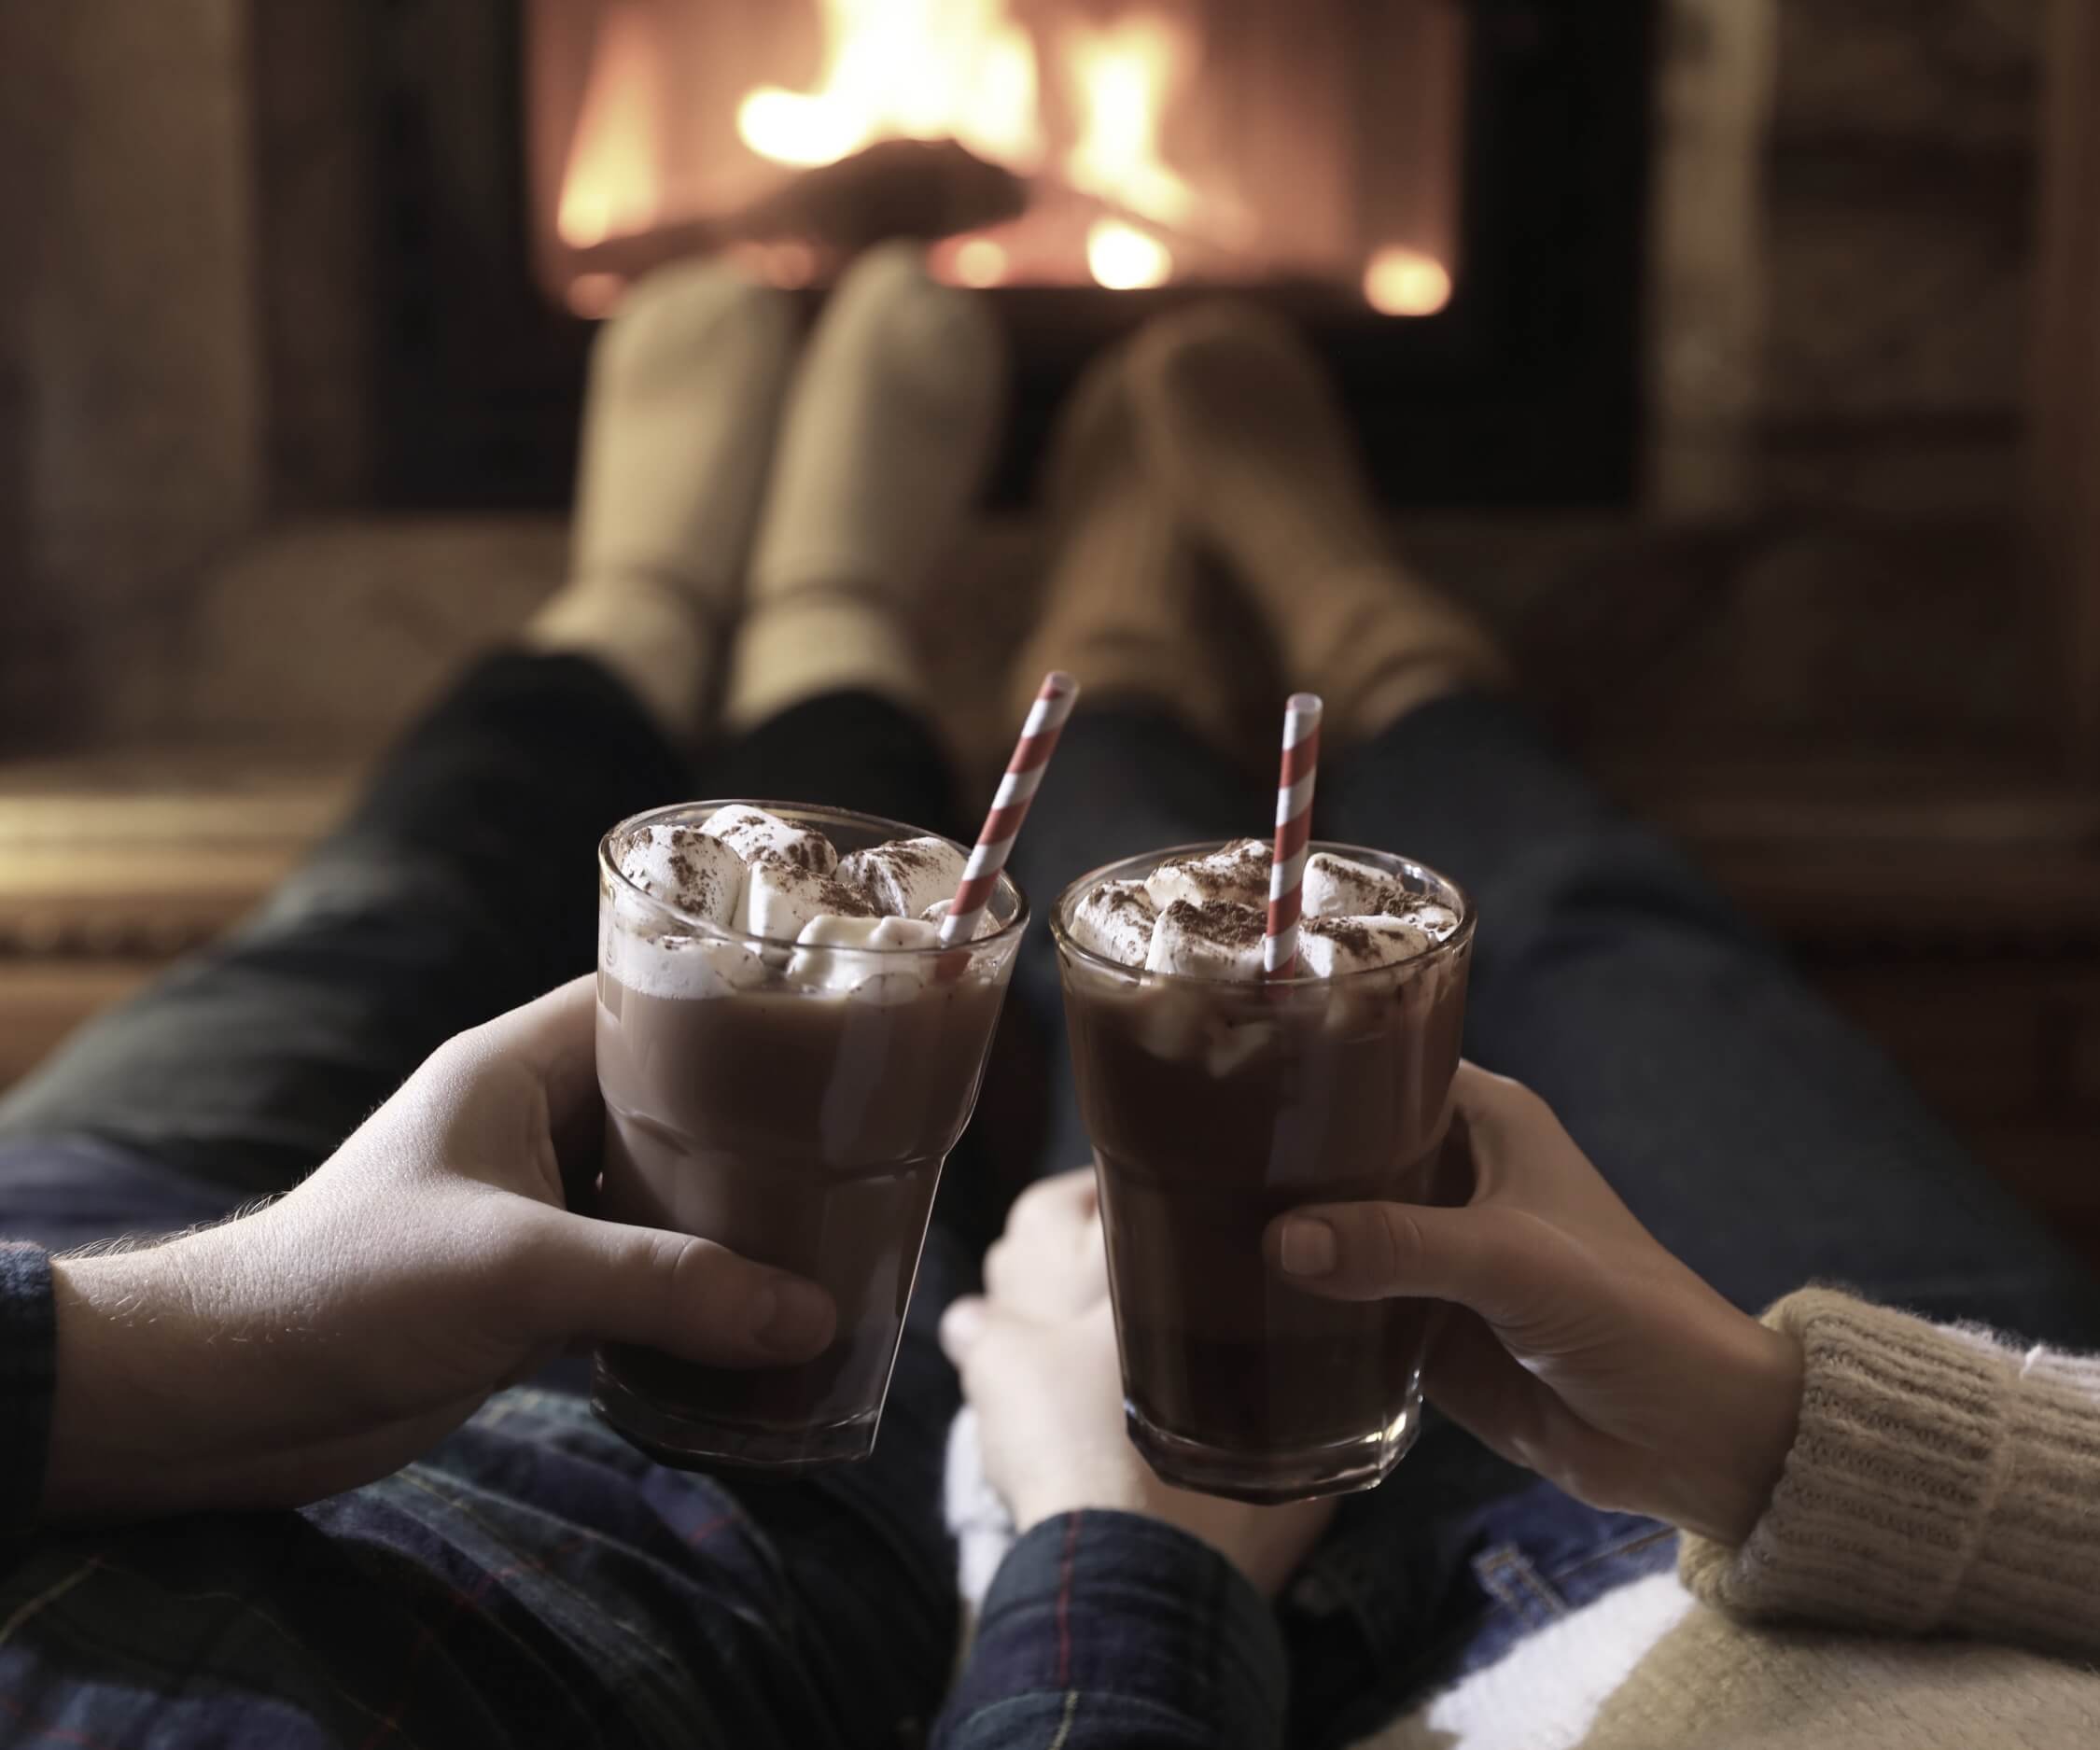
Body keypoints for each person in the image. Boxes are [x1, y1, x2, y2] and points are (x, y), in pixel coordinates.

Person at [0, 246, 2088, 1750]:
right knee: (1610, 931)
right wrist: (1764, 1430)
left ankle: (678, 610)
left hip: (84, 1243)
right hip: (684, 1533)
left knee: (364, 909)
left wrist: (155, 1348)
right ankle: (1339, 628)